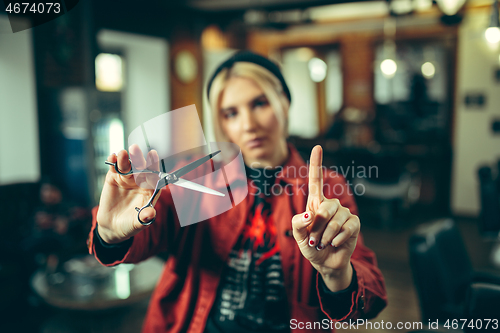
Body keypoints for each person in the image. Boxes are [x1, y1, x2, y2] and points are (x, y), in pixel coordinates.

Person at [88, 51, 387, 333]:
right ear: (221, 123)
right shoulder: (197, 178)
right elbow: (152, 230)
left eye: (260, 103)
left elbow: (370, 296)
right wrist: (111, 235)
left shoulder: (326, 187)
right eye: (231, 113)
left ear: (284, 102)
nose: (249, 124)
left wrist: (338, 275)